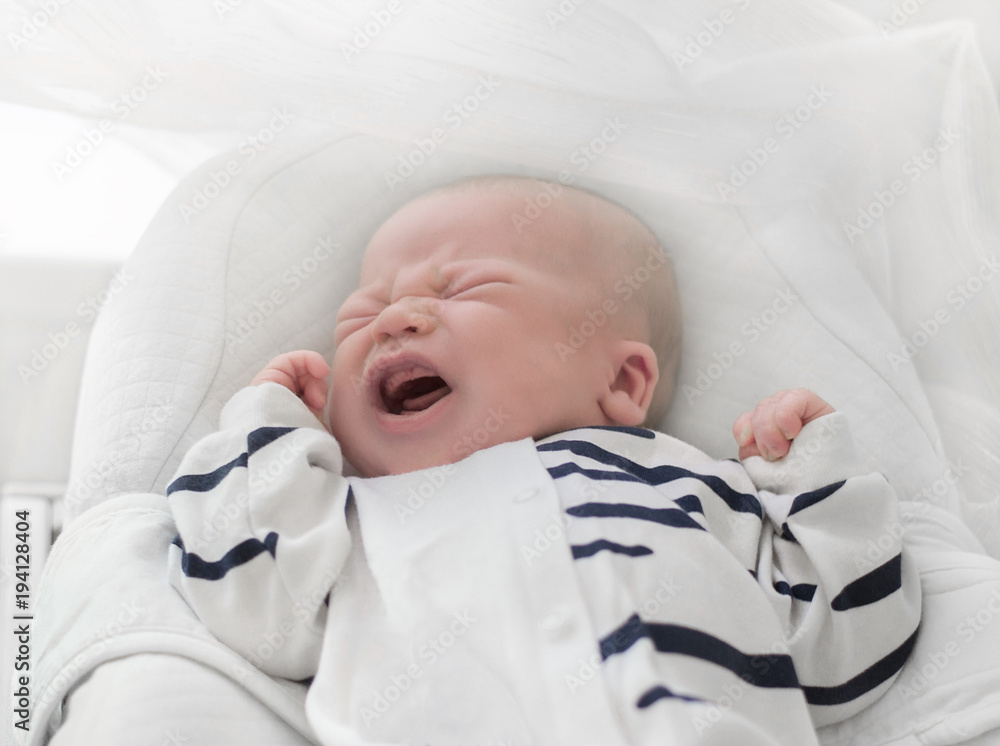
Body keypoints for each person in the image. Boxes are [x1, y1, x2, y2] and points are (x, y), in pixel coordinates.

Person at [166, 176, 920, 746]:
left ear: (623, 383)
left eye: (465, 287)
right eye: (359, 316)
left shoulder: (697, 487)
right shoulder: (345, 523)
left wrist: (812, 478)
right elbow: (250, 605)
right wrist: (268, 431)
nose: (395, 318)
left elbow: (840, 653)